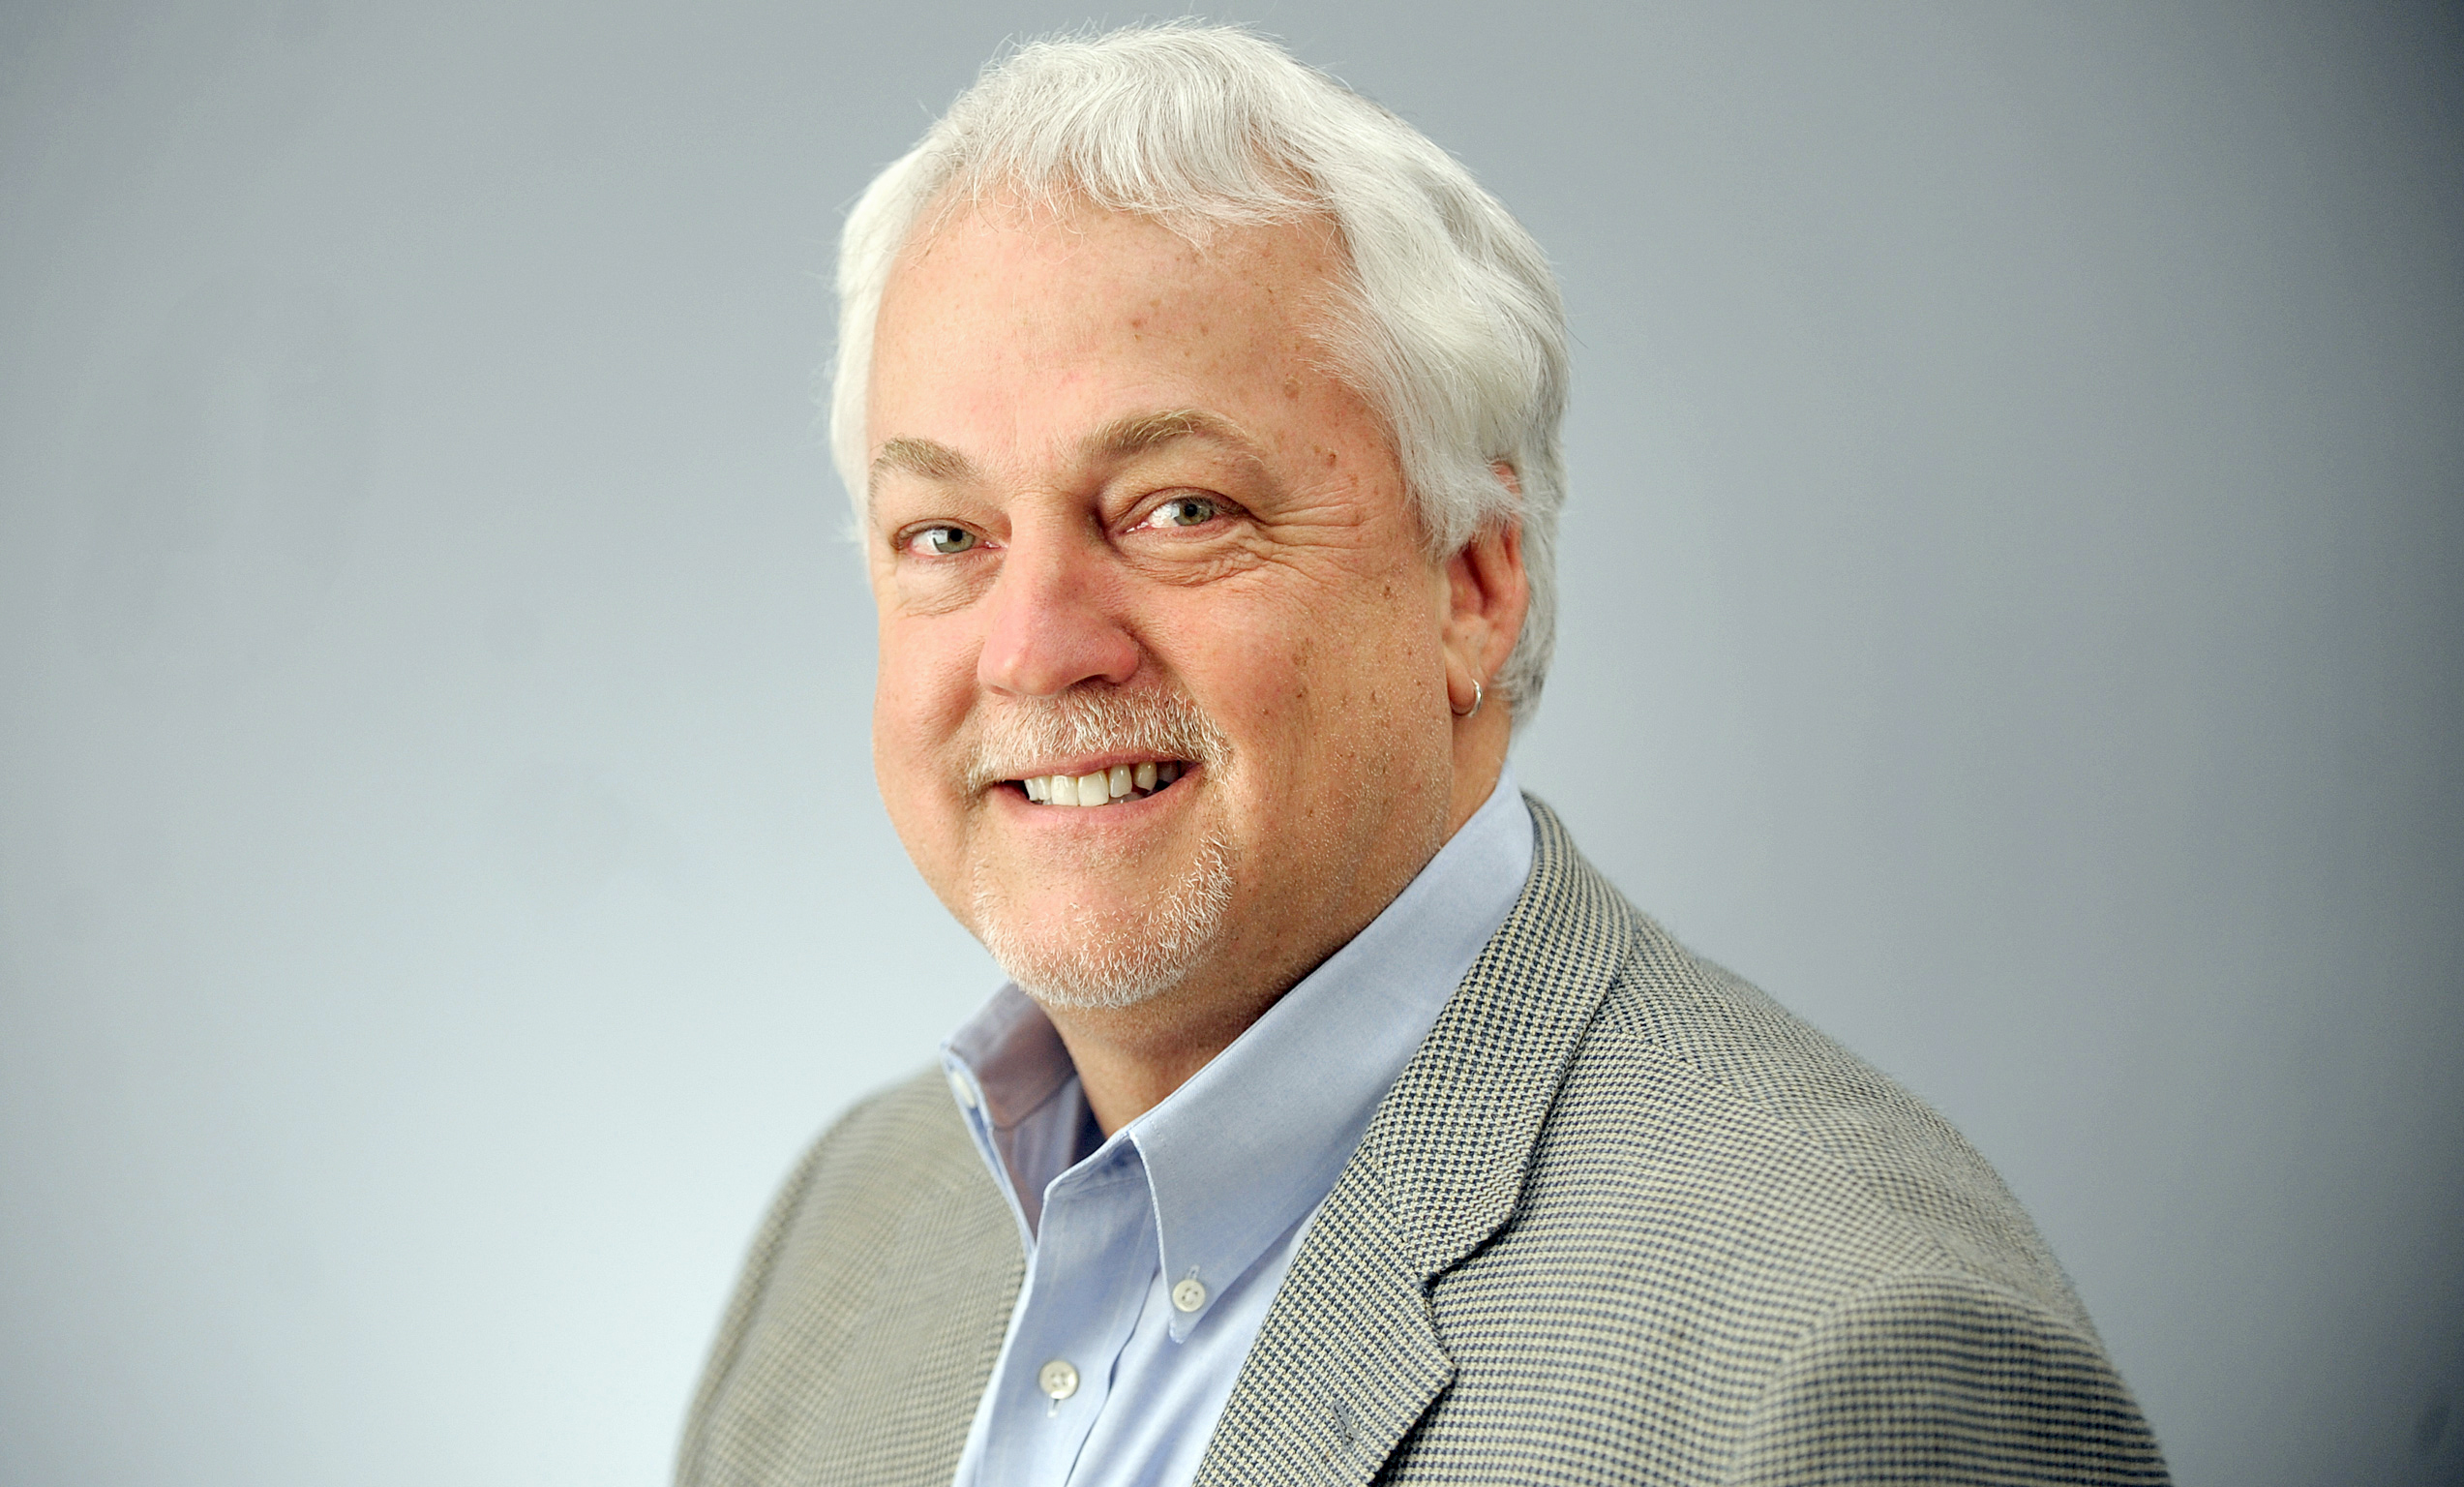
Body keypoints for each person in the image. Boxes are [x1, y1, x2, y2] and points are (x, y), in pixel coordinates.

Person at [677, 23, 2166, 1487]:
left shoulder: (1849, 1356)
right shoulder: (844, 1241)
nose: (1032, 646)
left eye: (1179, 508)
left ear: (1471, 583)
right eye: (947, 537)